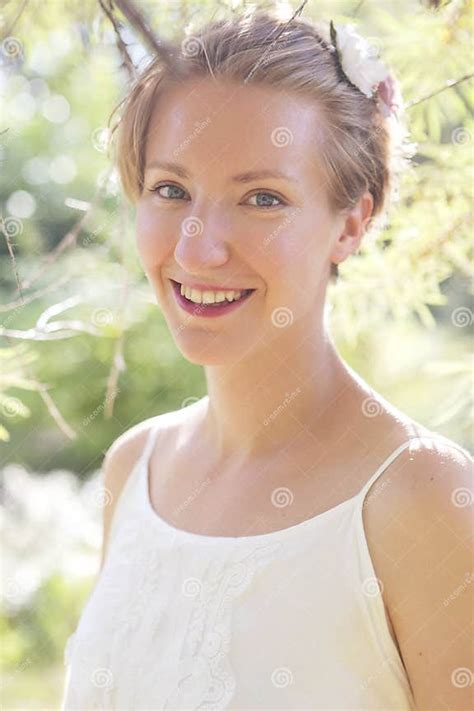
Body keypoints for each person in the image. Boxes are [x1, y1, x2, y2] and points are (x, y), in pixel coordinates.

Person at [61, 8, 472, 710]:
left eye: (261, 198)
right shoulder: (134, 471)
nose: (198, 247)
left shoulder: (422, 497)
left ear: (351, 222)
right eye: (171, 189)